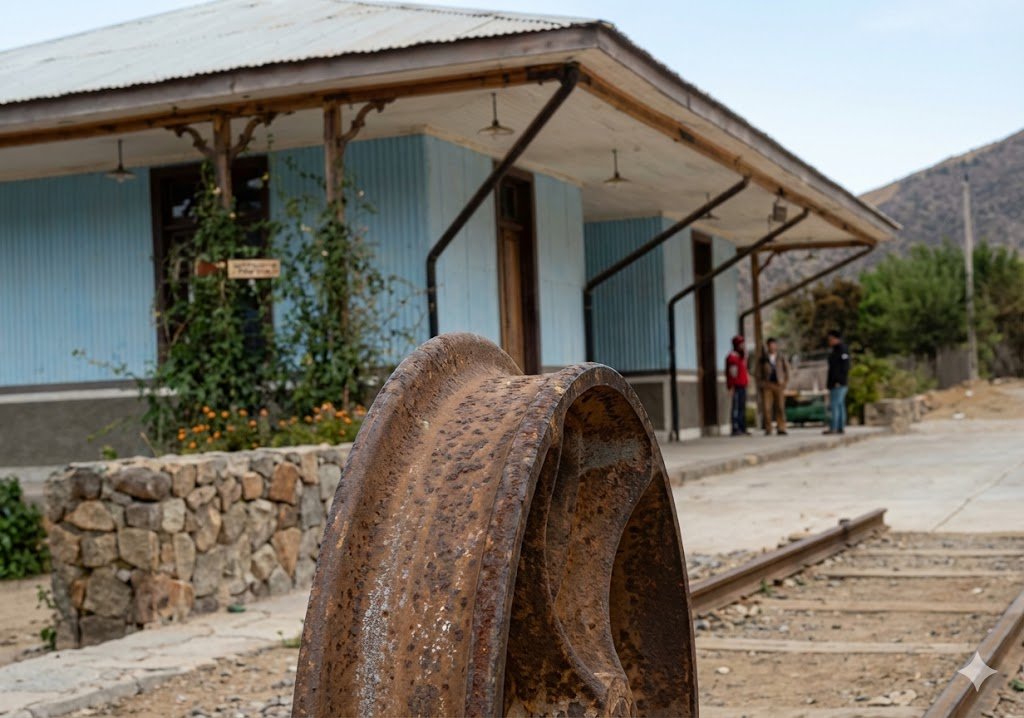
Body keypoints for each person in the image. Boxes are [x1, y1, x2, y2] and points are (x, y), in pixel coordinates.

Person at [757, 337, 791, 436]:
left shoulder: (781, 357)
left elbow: (787, 370)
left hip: (778, 384)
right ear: (768, 346)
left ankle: (781, 427)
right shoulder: (763, 358)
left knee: (780, 407)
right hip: (767, 385)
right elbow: (758, 372)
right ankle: (768, 428)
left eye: (774, 345)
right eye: (770, 345)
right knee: (767, 408)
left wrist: (785, 382)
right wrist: (761, 384)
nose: (772, 347)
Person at [824, 330, 851, 434]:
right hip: (835, 382)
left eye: (831, 339)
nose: (829, 341)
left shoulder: (842, 350)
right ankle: (840, 427)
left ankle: (834, 427)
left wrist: (839, 380)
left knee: (835, 405)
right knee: (839, 405)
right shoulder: (834, 350)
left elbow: (845, 367)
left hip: (839, 383)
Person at [725, 335, 751, 436]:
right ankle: (735, 428)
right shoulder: (733, 357)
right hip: (736, 386)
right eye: (741, 344)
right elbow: (732, 373)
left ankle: (742, 427)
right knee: (736, 407)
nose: (743, 346)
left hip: (743, 384)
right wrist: (731, 386)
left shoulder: (741, 357)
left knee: (742, 407)